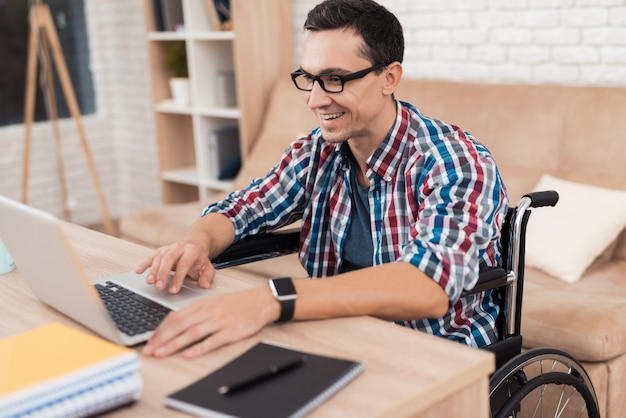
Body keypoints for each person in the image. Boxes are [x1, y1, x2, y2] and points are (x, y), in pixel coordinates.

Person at [138, 0, 509, 359]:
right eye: (309, 79)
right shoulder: (317, 152)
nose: (314, 100)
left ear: (389, 77)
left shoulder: (455, 161)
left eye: (334, 79)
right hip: (337, 336)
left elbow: (428, 285)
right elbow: (246, 208)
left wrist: (272, 298)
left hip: (434, 352)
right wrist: (195, 242)